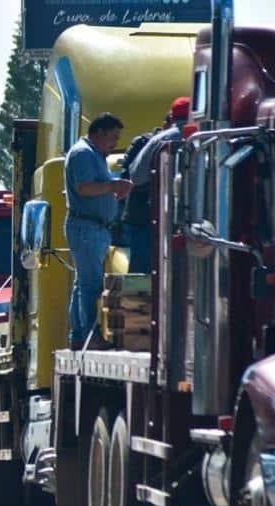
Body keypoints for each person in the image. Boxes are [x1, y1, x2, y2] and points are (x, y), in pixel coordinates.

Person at [65, 113, 133, 351]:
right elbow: (84, 188)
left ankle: (78, 334)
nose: (115, 143)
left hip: (93, 227)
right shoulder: (83, 154)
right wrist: (114, 186)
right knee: (91, 285)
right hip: (87, 226)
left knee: (82, 284)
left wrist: (112, 192)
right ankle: (90, 336)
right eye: (113, 137)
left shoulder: (94, 154)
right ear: (99, 133)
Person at [123, 96, 192, 273]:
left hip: (151, 219)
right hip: (193, 221)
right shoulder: (206, 135)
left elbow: (136, 176)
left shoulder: (157, 140)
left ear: (172, 116)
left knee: (143, 277)